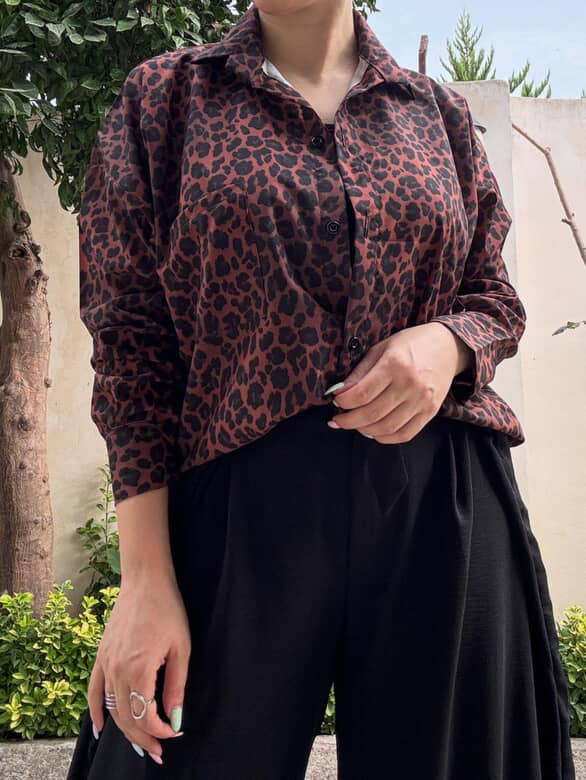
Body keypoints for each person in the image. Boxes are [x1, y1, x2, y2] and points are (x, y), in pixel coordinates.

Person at [66, 1, 576, 778]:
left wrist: (447, 344)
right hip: (234, 511)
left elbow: (494, 300)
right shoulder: (166, 99)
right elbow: (130, 341)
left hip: (439, 500)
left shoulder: (436, 114)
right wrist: (143, 579)